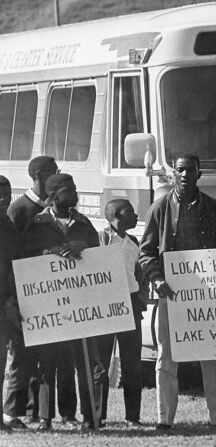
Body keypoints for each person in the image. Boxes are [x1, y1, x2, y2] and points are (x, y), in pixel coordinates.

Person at [139, 153, 216, 430]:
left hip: (206, 294)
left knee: (212, 354)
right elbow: (146, 253)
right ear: (173, 174)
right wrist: (157, 280)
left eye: (190, 170)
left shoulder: (214, 208)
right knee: (166, 357)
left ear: (199, 173)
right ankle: (164, 420)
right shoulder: (160, 208)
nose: (184, 175)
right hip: (172, 292)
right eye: (180, 170)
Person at [20, 173, 105, 431]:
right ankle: (45, 418)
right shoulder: (37, 224)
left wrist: (84, 246)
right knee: (48, 364)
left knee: (81, 362)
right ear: (54, 196)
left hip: (79, 306)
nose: (75, 194)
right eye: (69, 191)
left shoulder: (83, 223)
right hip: (50, 307)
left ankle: (83, 416)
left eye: (76, 189)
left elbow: (100, 257)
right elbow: (24, 258)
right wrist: (48, 253)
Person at [3, 157, 80, 430]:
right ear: (38, 175)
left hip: (59, 299)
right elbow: (18, 254)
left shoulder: (70, 216)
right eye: (52, 172)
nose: (56, 176)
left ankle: (58, 413)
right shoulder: (20, 210)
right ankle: (22, 412)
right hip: (25, 298)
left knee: (58, 359)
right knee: (24, 359)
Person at [96, 199, 148, 427]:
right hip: (107, 306)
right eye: (130, 211)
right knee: (101, 363)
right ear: (117, 214)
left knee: (132, 363)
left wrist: (141, 299)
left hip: (131, 304)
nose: (136, 215)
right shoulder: (100, 240)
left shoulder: (133, 241)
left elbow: (138, 272)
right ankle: (98, 415)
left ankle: (132, 417)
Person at [0, 175, 21, 432]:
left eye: (7, 193)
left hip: (7, 304)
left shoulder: (8, 225)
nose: (3, 199)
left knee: (2, 361)